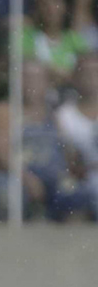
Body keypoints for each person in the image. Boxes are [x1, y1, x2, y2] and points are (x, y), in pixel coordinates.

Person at [0, 61, 91, 221]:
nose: (30, 83)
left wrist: (75, 169)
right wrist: (27, 179)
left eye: (37, 78)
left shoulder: (53, 114)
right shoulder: (4, 111)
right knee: (10, 194)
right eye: (25, 78)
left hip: (54, 178)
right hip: (19, 176)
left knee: (80, 195)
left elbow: (64, 150)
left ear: (47, 83)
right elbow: (1, 155)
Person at [57, 53, 98, 218]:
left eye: (96, 72)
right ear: (75, 78)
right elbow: (67, 161)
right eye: (86, 73)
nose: (92, 78)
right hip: (83, 184)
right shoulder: (64, 115)